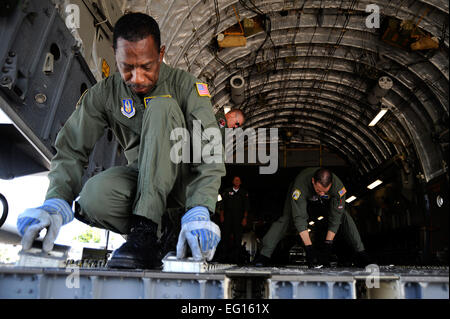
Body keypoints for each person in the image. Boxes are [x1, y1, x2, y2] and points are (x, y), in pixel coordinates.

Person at [16, 13, 226, 269]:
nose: (137, 78)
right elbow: (71, 149)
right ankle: (156, 236)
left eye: (147, 66)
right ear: (115, 55)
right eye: (127, 67)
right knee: (93, 197)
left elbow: (210, 153)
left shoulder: (187, 87)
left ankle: (148, 230)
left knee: (161, 109)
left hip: (183, 185)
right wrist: (56, 200)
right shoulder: (104, 94)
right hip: (140, 180)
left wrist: (200, 207)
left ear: (161, 54)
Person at [254, 167, 371, 268]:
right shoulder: (299, 186)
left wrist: (328, 245)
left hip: (326, 201)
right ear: (313, 181)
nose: (321, 193)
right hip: (302, 192)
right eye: (319, 190)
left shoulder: (338, 188)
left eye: (325, 191)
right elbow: (299, 219)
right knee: (286, 218)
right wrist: (309, 248)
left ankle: (362, 253)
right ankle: (264, 255)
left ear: (331, 184)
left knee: (344, 215)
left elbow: (336, 218)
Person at [219, 176, 250, 262]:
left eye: (238, 180)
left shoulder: (244, 193)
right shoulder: (227, 191)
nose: (237, 181)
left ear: (240, 182)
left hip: (239, 218)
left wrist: (245, 218)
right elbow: (222, 205)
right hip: (228, 217)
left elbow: (246, 207)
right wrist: (221, 216)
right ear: (233, 181)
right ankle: (223, 257)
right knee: (225, 237)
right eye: (235, 180)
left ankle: (236, 258)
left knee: (237, 238)